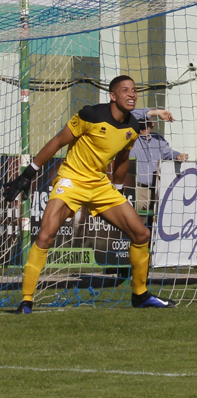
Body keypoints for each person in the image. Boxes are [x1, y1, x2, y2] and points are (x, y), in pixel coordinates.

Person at [3, 76, 175, 313]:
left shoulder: (133, 127)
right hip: (71, 180)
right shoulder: (91, 115)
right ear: (113, 96)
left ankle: (140, 295)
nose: (132, 94)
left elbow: (122, 159)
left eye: (134, 90)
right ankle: (26, 301)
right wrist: (28, 173)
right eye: (125, 90)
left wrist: (117, 189)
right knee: (45, 236)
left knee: (141, 234)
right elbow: (58, 141)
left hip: (100, 185)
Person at [129, 120, 188, 226]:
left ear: (152, 124)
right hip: (138, 190)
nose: (144, 125)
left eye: (147, 123)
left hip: (157, 190)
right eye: (141, 122)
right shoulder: (132, 138)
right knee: (137, 224)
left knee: (156, 224)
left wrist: (178, 155)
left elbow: (168, 153)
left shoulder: (158, 139)